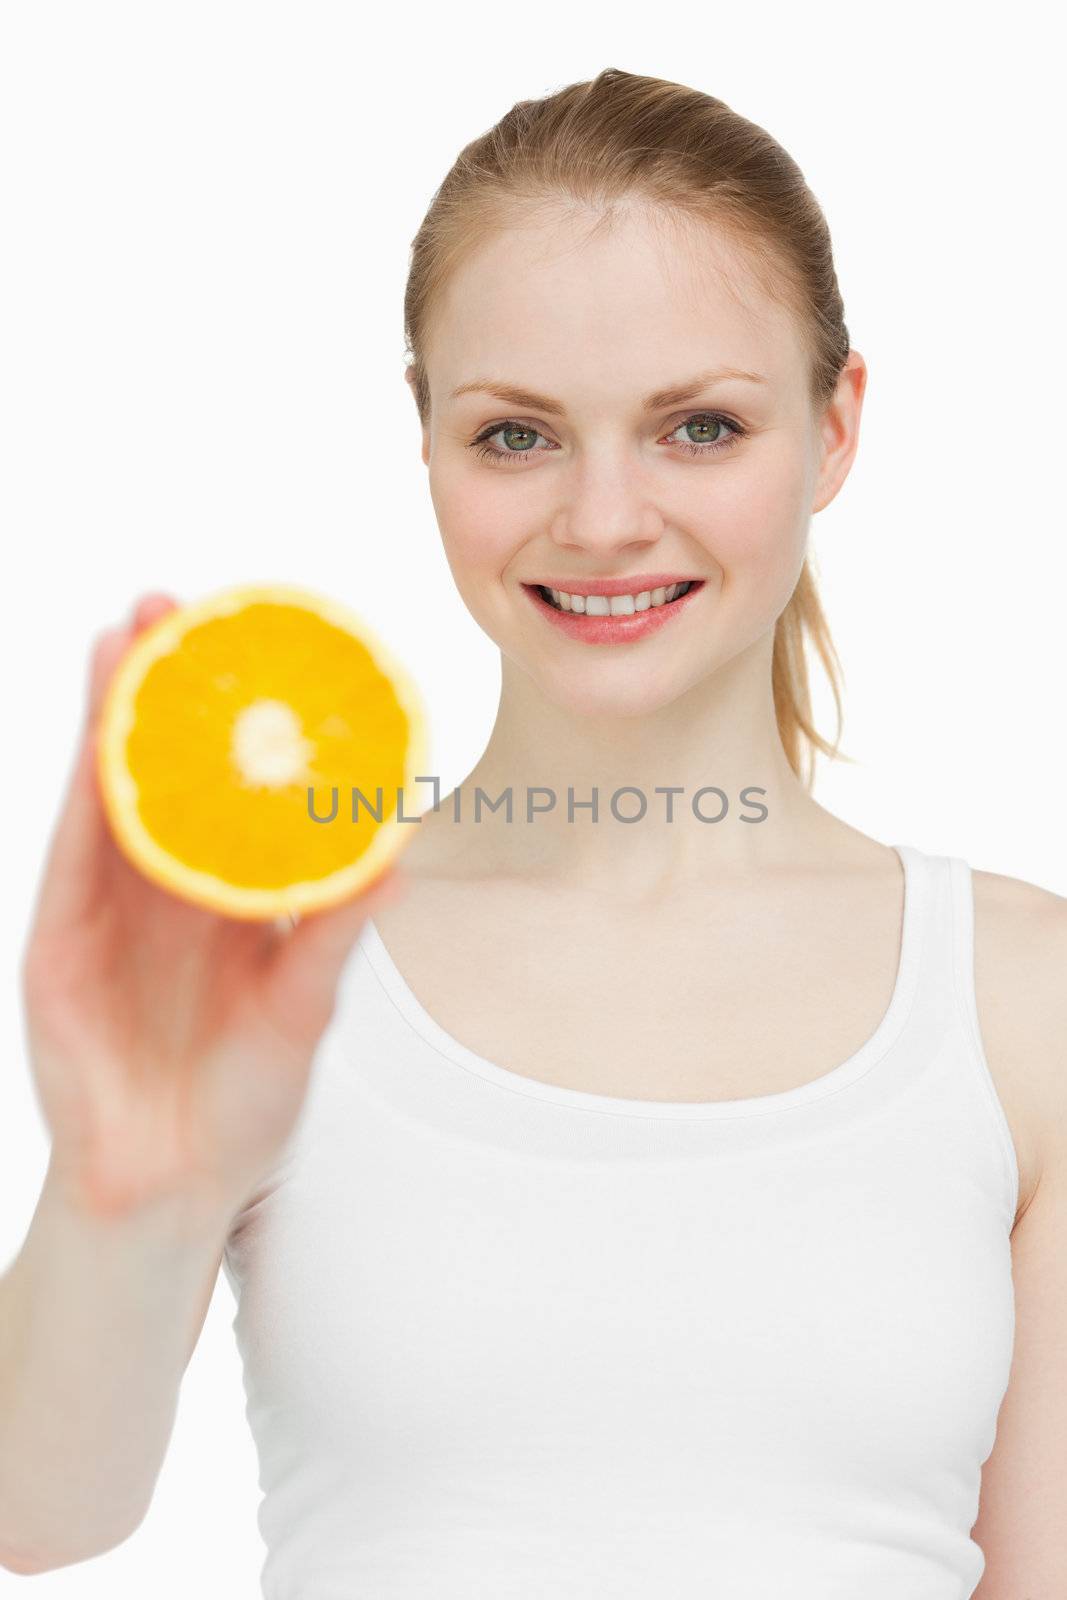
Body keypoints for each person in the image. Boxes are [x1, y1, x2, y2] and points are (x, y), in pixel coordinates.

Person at [1, 65, 1064, 1599]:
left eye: (699, 426)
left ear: (835, 428)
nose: (607, 518)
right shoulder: (280, 971)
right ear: (425, 432)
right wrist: (127, 1185)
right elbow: (41, 1515)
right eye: (518, 437)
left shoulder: (1026, 999)